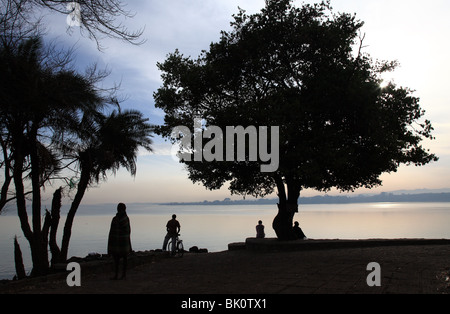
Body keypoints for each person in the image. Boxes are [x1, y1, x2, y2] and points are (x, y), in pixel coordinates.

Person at [107, 203, 132, 280]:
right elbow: (128, 231)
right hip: (124, 243)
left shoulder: (115, 219)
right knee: (124, 259)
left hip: (116, 243)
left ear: (118, 209)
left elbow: (112, 232)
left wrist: (110, 245)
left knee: (116, 260)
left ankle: (116, 275)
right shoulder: (126, 218)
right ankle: (123, 274)